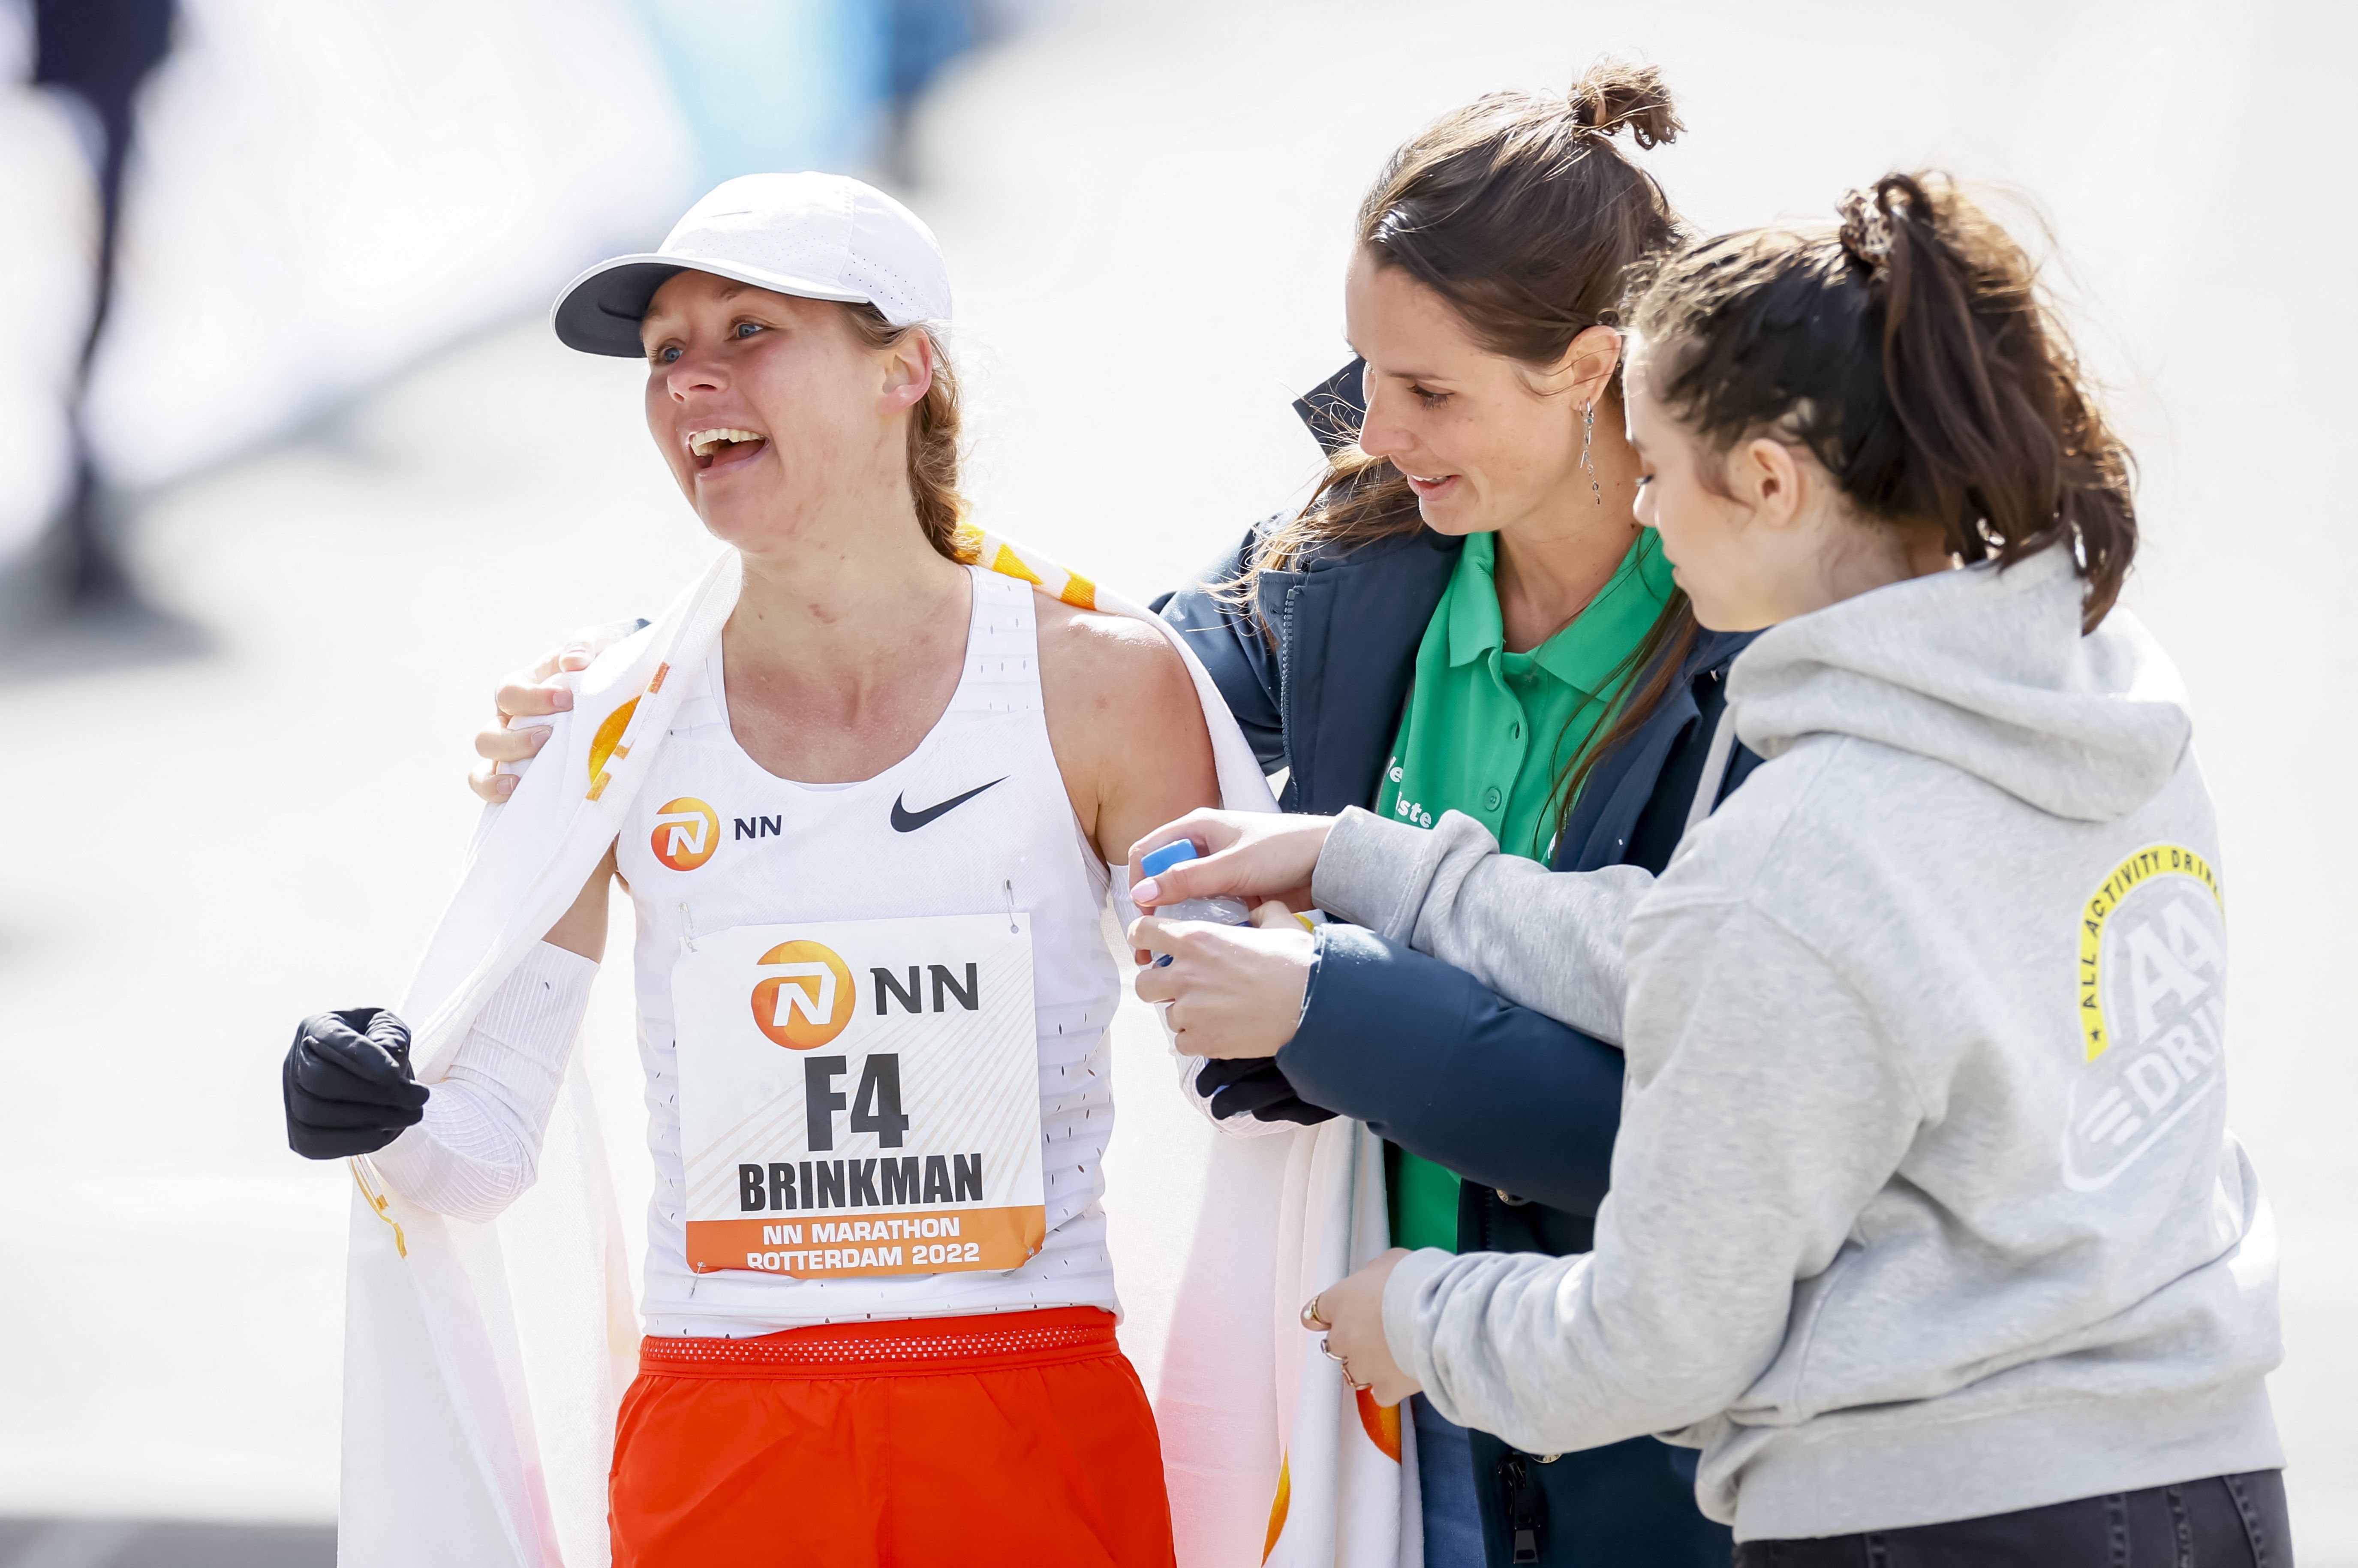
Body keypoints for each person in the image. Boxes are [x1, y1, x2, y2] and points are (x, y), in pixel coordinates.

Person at [471, 63, 1748, 1568]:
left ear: (1591, 369)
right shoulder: (1336, 568)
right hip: (1389, 1395)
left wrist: (1330, 1007)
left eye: (1426, 389)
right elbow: (988, 667)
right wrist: (656, 682)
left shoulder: (1754, 656)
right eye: (1363, 372)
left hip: (1648, 1422)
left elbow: (1697, 1119)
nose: (1369, 428)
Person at [1144, 174, 2292, 1565]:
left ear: (1766, 480)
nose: (1637, 500)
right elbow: (1710, 957)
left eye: (1658, 464)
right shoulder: (2108, 707)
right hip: (2215, 1484)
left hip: (1922, 1514)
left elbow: (1660, 1338)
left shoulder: (1803, 843)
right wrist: (1362, 860)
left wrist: (1417, 1318)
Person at [280, 172, 1234, 1567]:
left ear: (906, 365)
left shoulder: (1100, 683)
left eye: (747, 330)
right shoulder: (612, 718)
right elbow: (486, 1144)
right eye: (665, 352)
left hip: (1026, 1401)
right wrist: (378, 1104)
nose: (690, 381)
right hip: (728, 1426)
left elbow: (1249, 1067)